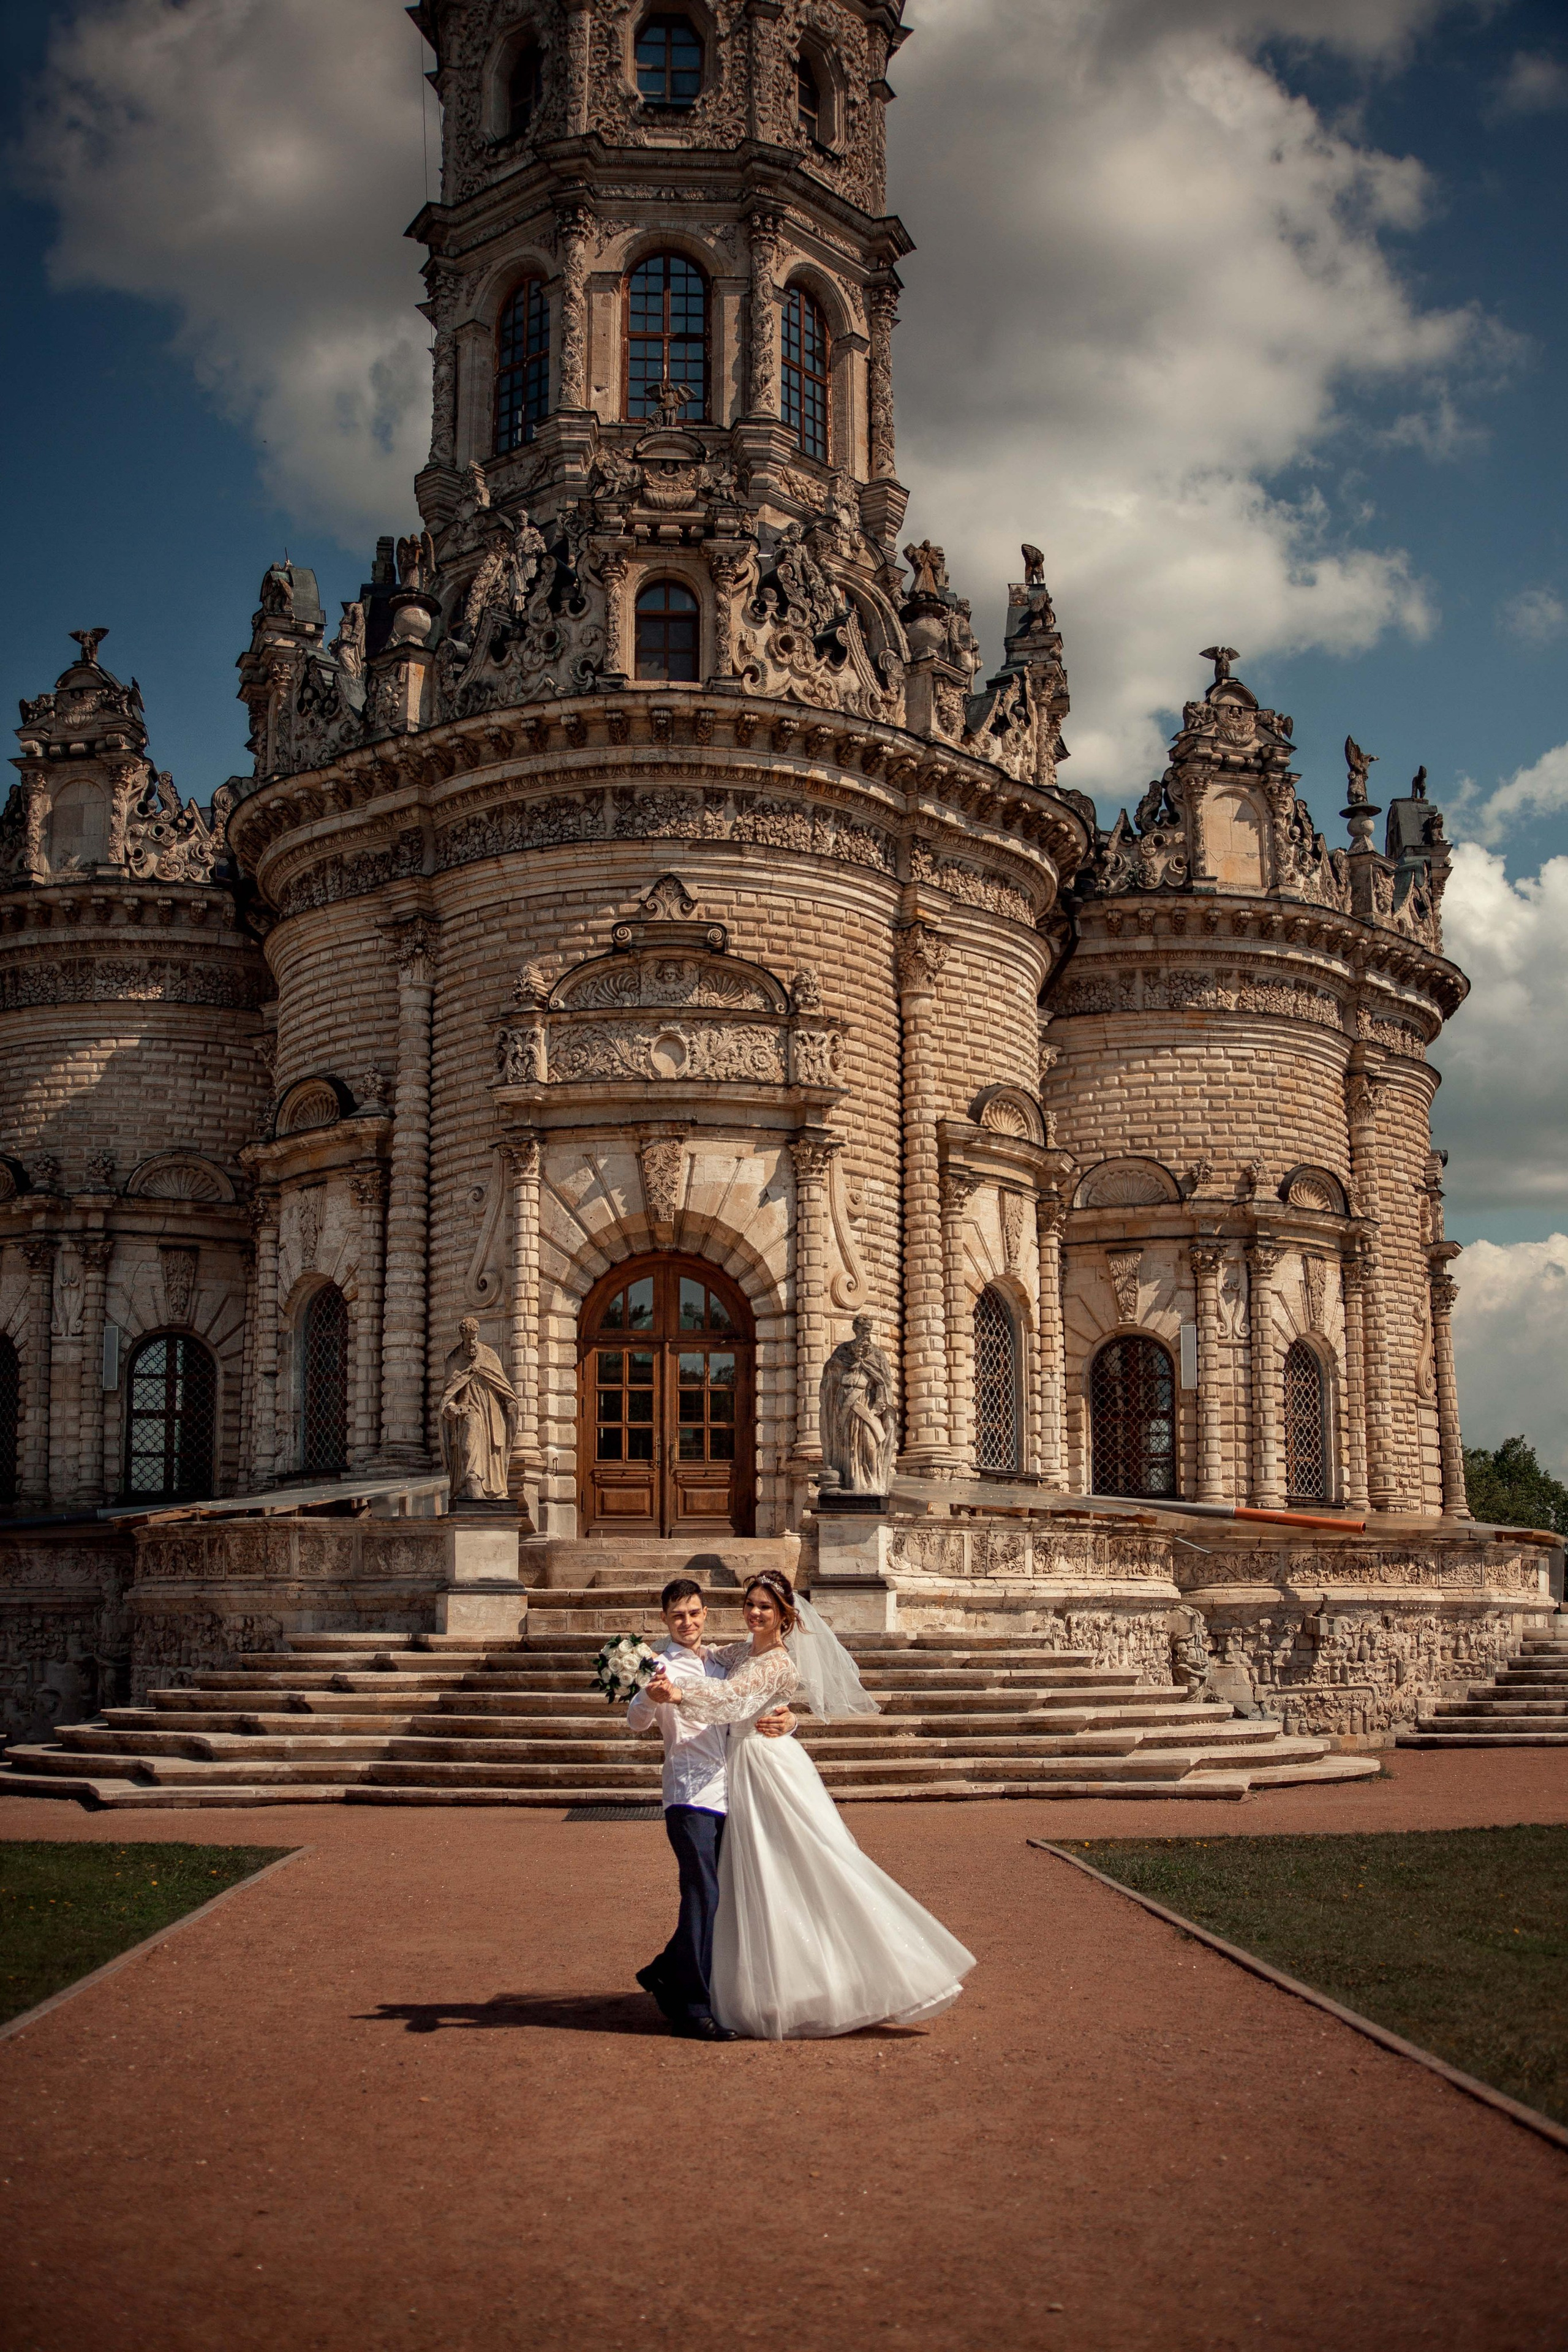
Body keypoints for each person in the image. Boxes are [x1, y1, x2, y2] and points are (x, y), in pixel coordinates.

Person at [644, 1569, 976, 2039]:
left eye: (766, 1607)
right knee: (750, 1875)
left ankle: (864, 1973)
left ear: (785, 1615)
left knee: (802, 1862)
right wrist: (643, 1659)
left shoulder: (779, 1662)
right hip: (735, 1770)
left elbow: (732, 1700)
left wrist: (681, 1693)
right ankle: (709, 1976)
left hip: (767, 1768)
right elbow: (702, 1653)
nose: (756, 1613)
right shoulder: (740, 1649)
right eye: (751, 1604)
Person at [627, 1577, 796, 2042]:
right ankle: (692, 2009)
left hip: (732, 1790)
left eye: (695, 1613)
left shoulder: (722, 1659)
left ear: (705, 1616)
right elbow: (635, 1721)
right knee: (703, 1893)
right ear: (665, 1619)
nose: (687, 1622)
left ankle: (665, 1971)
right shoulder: (658, 1665)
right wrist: (649, 1696)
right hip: (688, 1795)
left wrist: (788, 1717)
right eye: (678, 1615)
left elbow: (748, 1699)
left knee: (720, 1896)